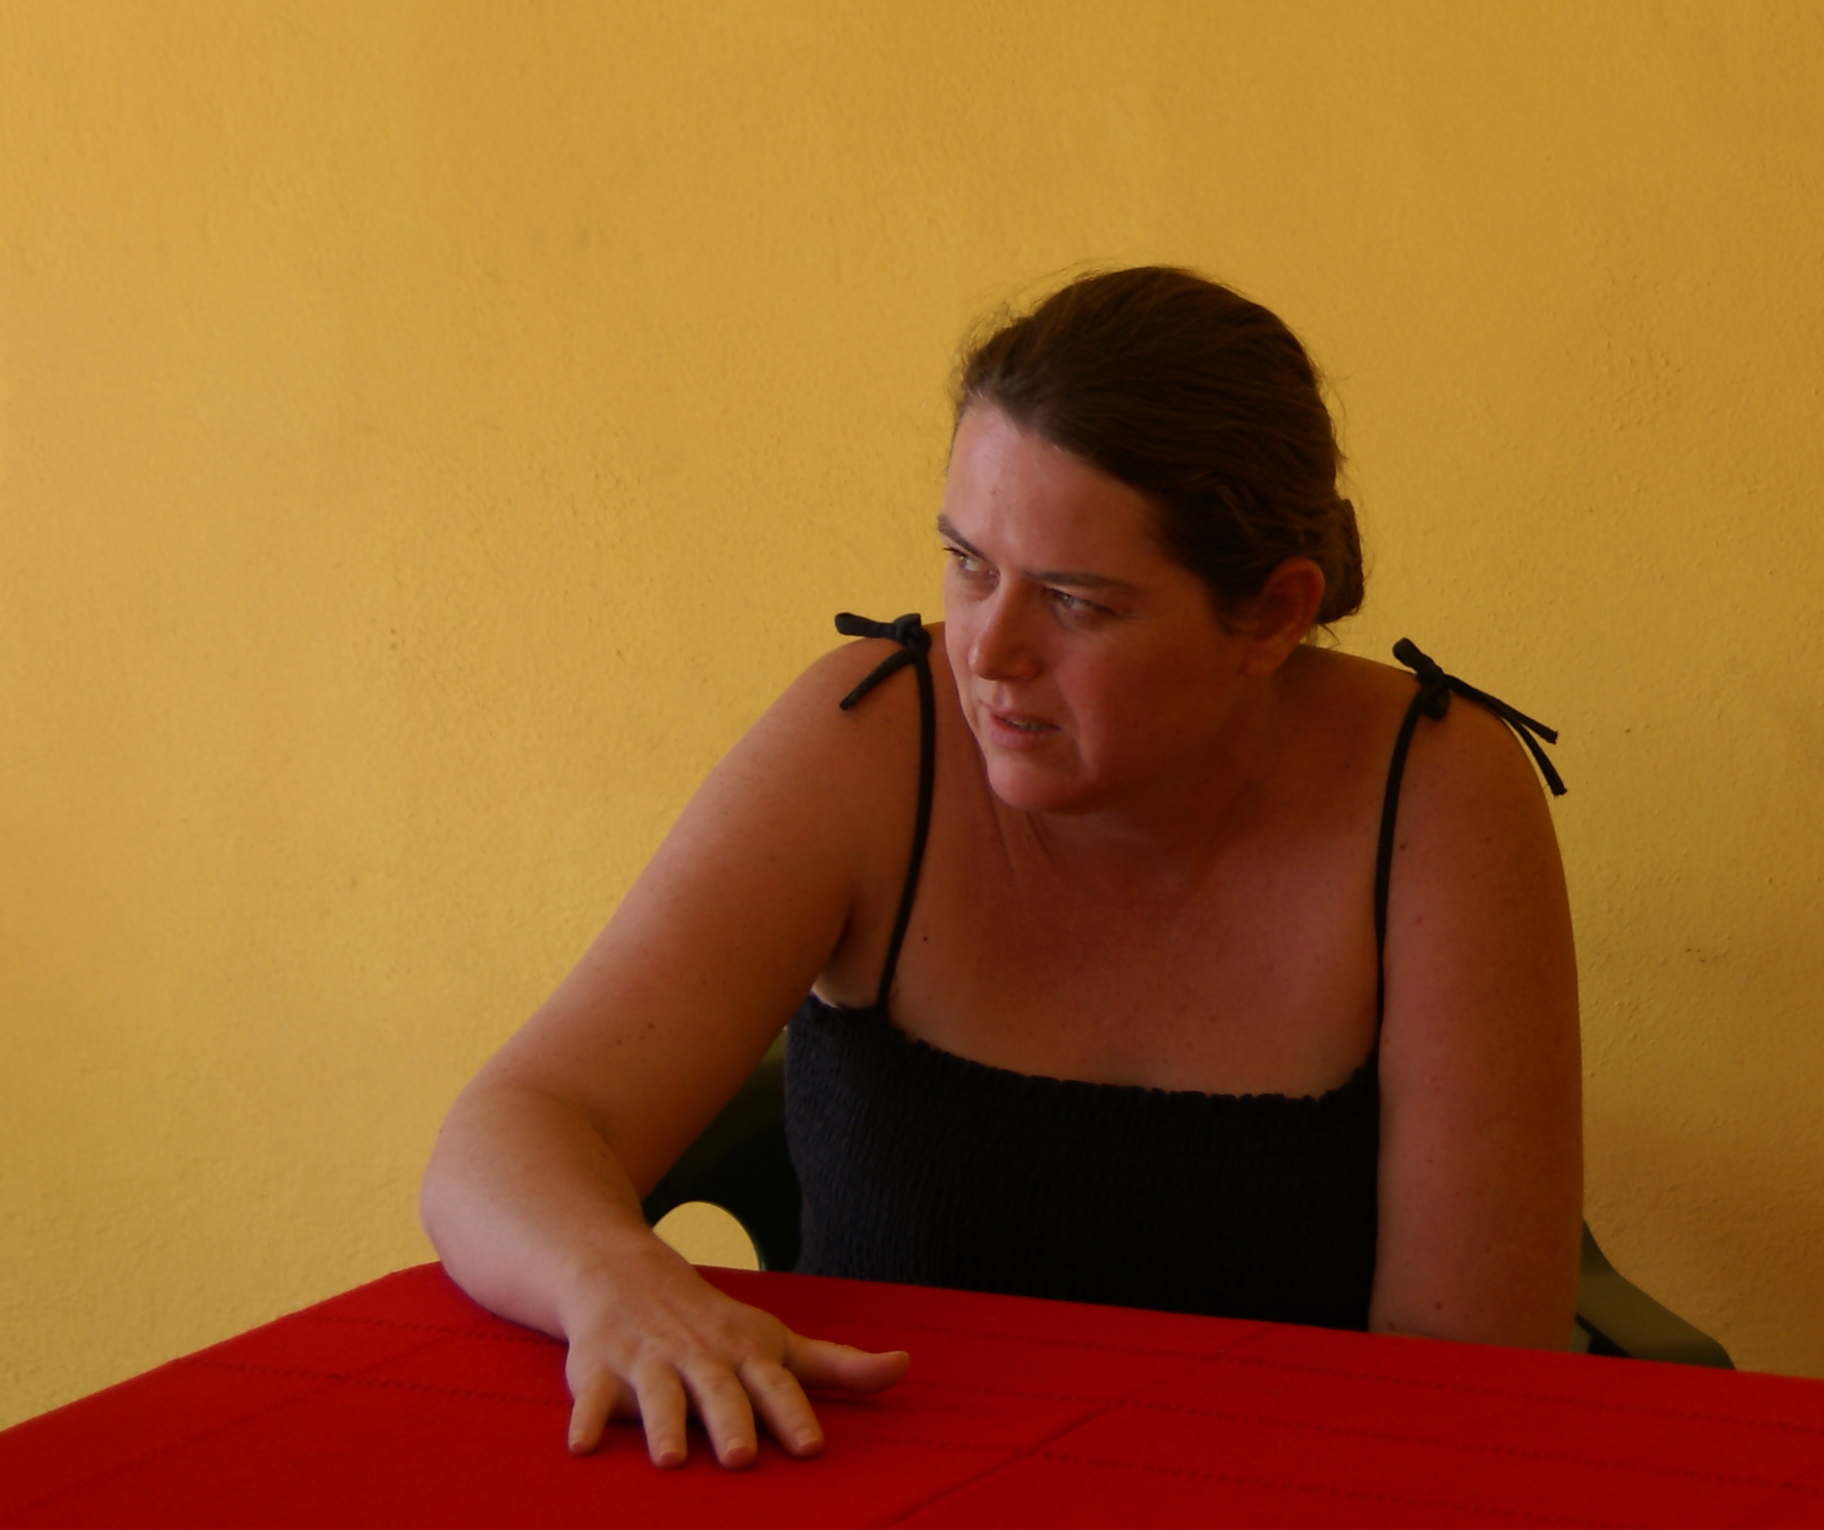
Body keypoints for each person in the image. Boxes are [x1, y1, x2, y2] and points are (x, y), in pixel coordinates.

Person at [419, 267, 1583, 1471]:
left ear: (1273, 616)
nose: (986, 650)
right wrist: (617, 1278)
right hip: (875, 1487)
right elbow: (512, 1131)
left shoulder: (1433, 793)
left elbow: (1470, 1377)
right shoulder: (873, 735)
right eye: (967, 563)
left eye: (1075, 602)